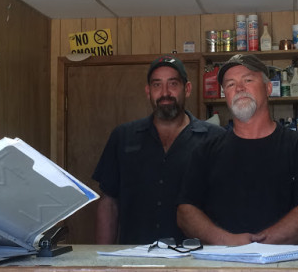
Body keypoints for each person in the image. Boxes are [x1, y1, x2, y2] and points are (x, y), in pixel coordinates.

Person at [177, 54, 298, 246]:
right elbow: (186, 212)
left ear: (268, 88)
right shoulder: (205, 152)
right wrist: (230, 243)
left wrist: (260, 246)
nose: (240, 88)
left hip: (284, 267)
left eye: (248, 80)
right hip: (221, 266)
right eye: (230, 84)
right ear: (225, 94)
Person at [93, 54, 225, 244]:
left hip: (195, 260)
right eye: (157, 85)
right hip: (133, 259)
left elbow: (227, 203)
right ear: (148, 91)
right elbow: (109, 204)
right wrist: (101, 261)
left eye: (173, 84)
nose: (165, 92)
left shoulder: (215, 138)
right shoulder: (123, 136)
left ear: (187, 89)